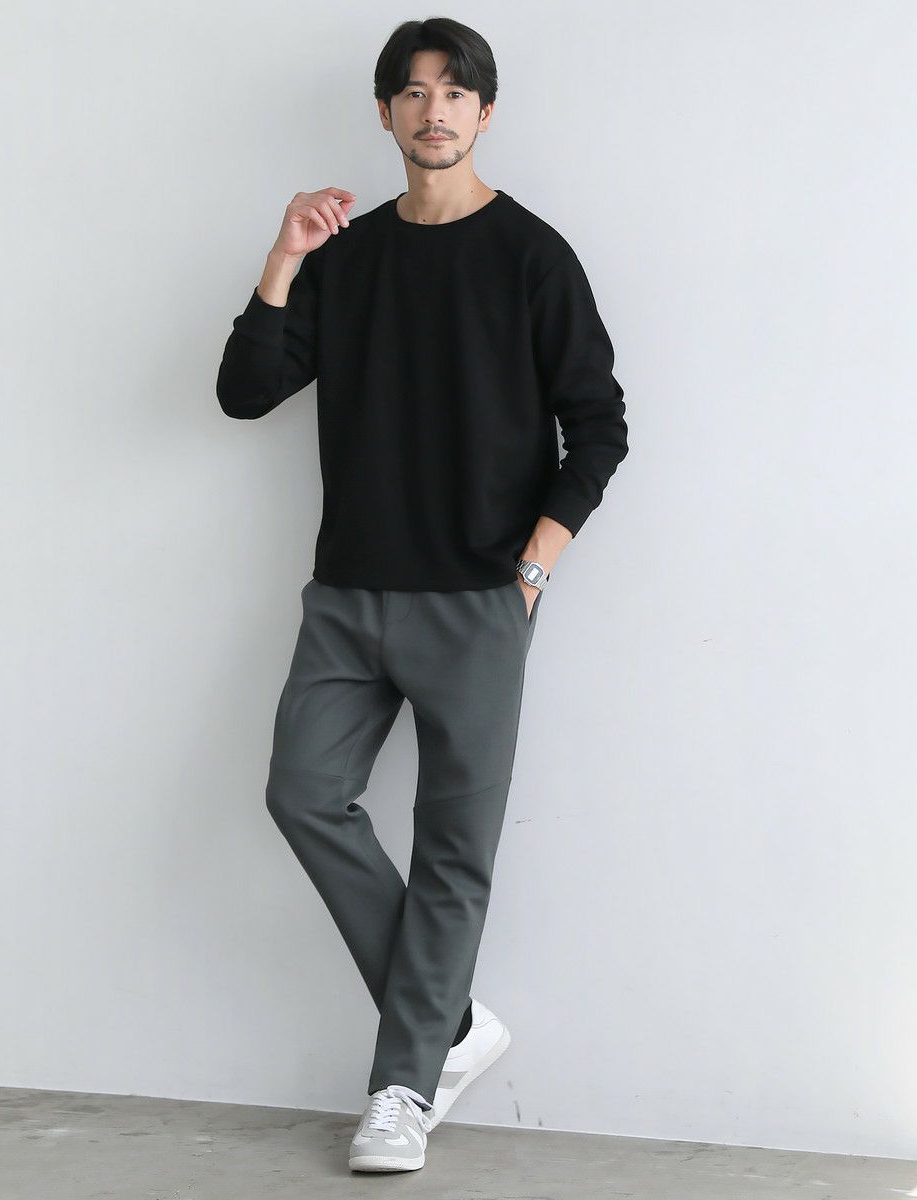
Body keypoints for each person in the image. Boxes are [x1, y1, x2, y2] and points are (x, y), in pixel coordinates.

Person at [215, 16, 629, 1174]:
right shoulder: (345, 258)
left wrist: (533, 567)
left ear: (484, 113)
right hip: (348, 595)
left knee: (454, 849)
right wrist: (285, 255)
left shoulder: (532, 256)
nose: (432, 110)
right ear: (385, 114)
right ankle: (446, 1028)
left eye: (454, 93)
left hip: (479, 601)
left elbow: (599, 425)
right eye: (412, 91)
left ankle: (401, 1090)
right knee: (303, 795)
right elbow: (244, 391)